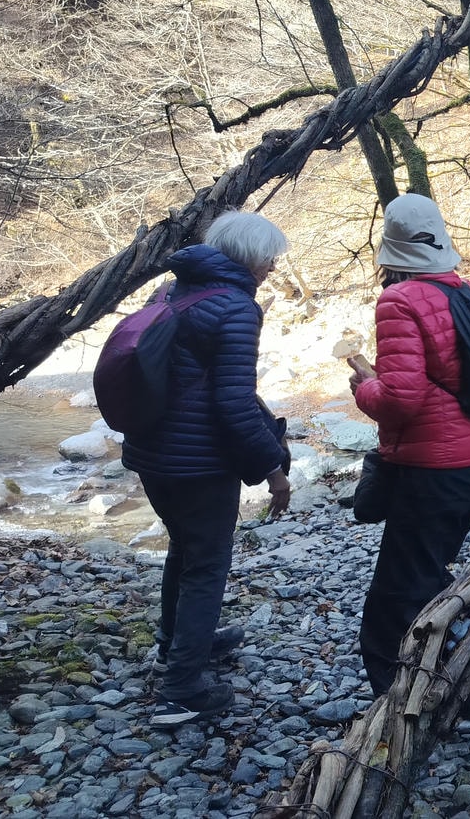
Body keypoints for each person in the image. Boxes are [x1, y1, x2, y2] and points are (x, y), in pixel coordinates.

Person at [121, 210, 293, 727]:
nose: (271, 267)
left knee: (186, 547)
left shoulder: (172, 293)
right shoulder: (235, 307)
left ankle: (173, 645)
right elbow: (234, 405)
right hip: (199, 464)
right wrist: (274, 471)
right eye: (269, 258)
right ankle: (181, 690)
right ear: (249, 258)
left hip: (152, 455)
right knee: (207, 565)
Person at [348, 193, 470, 699]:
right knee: (433, 569)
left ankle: (398, 700)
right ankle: (460, 682)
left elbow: (401, 401)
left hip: (435, 465)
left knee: (396, 591)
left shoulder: (399, 300)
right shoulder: (468, 291)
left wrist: (363, 386)